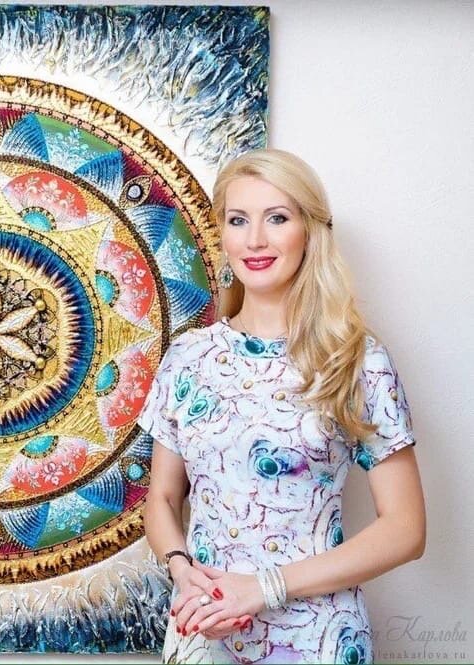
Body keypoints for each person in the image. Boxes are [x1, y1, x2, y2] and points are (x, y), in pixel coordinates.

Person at [138, 148, 426, 664]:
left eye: (276, 218)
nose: (255, 240)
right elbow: (161, 497)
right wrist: (183, 571)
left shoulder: (356, 360)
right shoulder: (188, 357)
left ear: (309, 232)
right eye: (238, 220)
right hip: (203, 628)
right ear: (222, 235)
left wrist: (264, 588)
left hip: (318, 637)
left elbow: (406, 529)